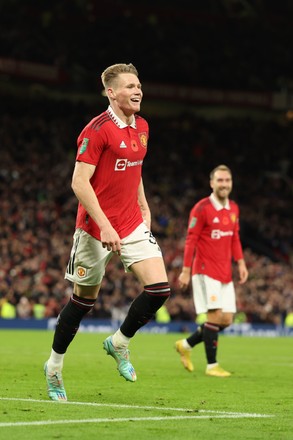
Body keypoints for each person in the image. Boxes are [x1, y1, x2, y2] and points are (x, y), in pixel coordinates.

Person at [44, 63, 170, 401]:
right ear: (111, 93)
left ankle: (119, 342)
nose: (138, 90)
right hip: (95, 228)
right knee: (83, 302)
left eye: (139, 84)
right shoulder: (96, 130)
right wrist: (105, 225)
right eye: (130, 86)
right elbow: (78, 182)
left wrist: (144, 206)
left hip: (129, 222)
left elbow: (135, 167)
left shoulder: (142, 126)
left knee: (159, 289)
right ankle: (54, 367)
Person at [175, 164, 248, 377]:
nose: (224, 184)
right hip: (205, 270)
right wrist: (186, 270)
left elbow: (234, 238)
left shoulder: (233, 208)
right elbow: (191, 240)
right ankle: (211, 366)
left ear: (231, 183)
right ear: (212, 183)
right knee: (214, 316)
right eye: (220, 180)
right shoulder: (202, 208)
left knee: (226, 320)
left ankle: (186, 345)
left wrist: (241, 263)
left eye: (227, 180)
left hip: (225, 272)